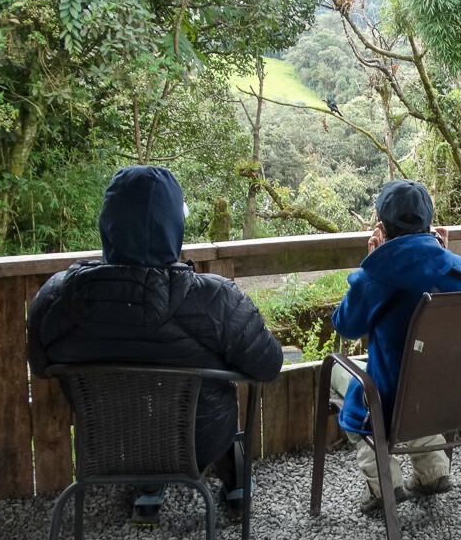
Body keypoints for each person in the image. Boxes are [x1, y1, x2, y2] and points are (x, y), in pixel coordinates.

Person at [27, 166, 284, 525]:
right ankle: (236, 487)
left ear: (109, 223)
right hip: (198, 444)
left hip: (107, 445)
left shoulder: (56, 297)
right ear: (173, 226)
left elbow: (39, 367)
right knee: (219, 399)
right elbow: (269, 366)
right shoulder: (216, 299)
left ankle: (148, 487)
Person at [331, 179, 461, 513]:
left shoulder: (379, 274)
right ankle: (431, 469)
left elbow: (345, 324)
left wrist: (371, 265)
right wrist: (446, 253)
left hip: (389, 400)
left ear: (381, 229)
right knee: (418, 381)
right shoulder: (460, 269)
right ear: (431, 224)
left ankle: (384, 480)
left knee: (343, 377)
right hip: (450, 393)